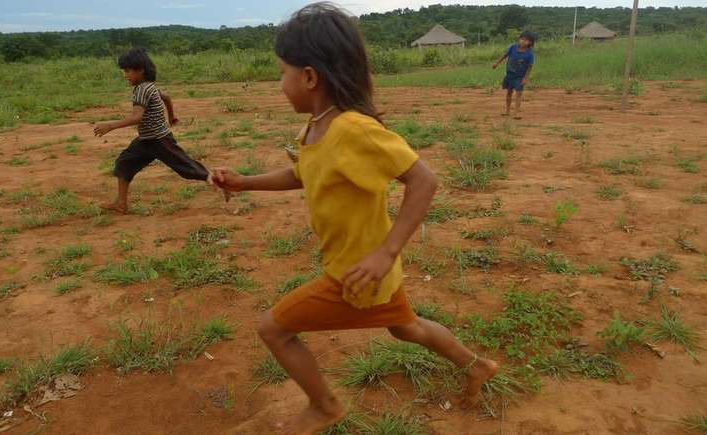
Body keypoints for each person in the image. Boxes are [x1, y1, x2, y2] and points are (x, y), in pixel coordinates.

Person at [212, 3, 498, 434]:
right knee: (407, 327)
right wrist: (244, 182)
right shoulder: (315, 127)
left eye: (283, 73)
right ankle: (477, 365)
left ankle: (324, 406)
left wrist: (386, 253)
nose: (280, 84)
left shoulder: (353, 129)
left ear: (309, 77)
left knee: (273, 329)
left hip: (356, 274)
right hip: (368, 269)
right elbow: (302, 173)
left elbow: (424, 180)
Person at [94, 48, 210, 213]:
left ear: (140, 70)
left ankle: (225, 182)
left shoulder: (142, 90)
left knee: (189, 169)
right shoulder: (149, 86)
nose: (125, 75)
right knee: (124, 163)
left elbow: (137, 117)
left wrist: (110, 126)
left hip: (159, 140)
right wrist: (171, 117)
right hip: (146, 140)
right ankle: (121, 203)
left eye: (127, 71)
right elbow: (167, 98)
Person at [493, 31, 536, 119]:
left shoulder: (530, 54)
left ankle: (516, 113)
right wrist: (497, 63)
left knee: (519, 94)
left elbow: (529, 67)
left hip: (519, 77)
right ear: (519, 39)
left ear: (530, 43)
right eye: (522, 39)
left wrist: (525, 78)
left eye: (526, 40)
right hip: (509, 75)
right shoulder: (512, 47)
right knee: (509, 92)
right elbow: (505, 55)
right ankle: (507, 111)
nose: (523, 41)